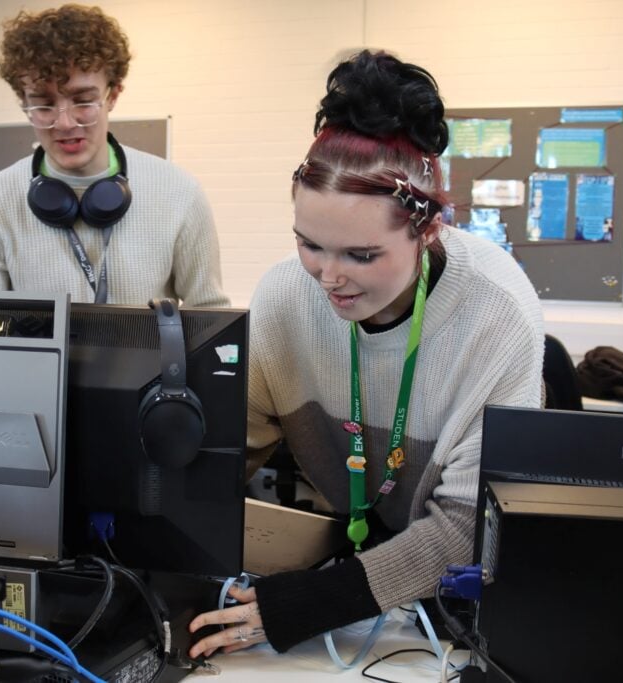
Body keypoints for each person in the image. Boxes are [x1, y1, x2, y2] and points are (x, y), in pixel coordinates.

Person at [188, 50, 544, 656]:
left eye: (360, 255)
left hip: (459, 592)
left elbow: (467, 528)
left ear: (426, 229)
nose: (328, 277)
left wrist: (305, 607)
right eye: (310, 244)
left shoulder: (496, 313)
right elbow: (225, 455)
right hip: (358, 565)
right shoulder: (283, 297)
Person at [0, 4, 229, 307]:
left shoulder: (179, 193)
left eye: (83, 101)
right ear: (23, 104)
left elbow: (210, 316)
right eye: (44, 105)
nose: (65, 122)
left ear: (112, 95)